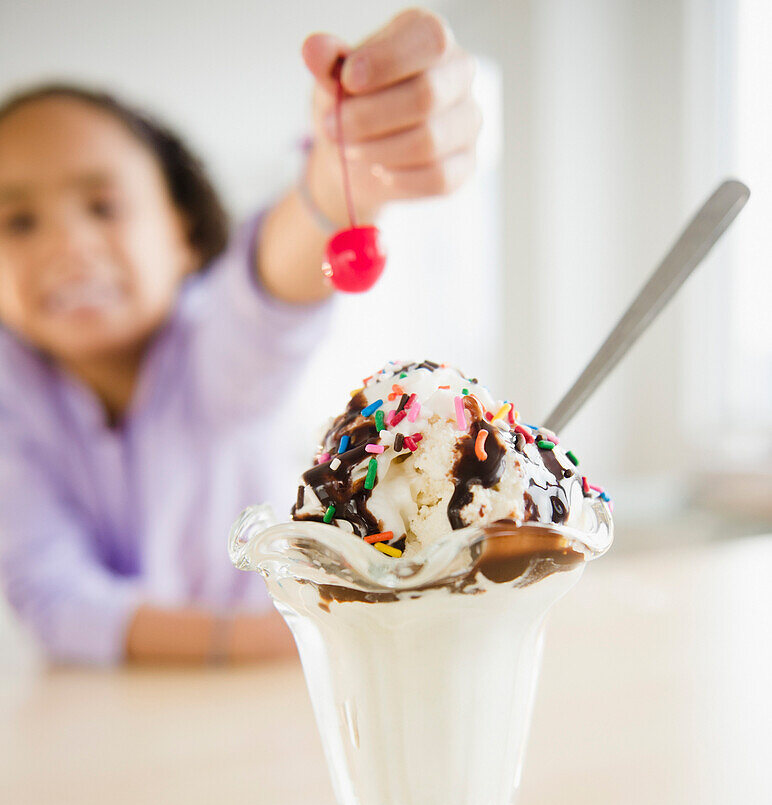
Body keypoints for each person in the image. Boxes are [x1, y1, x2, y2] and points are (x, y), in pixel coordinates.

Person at [0, 8, 481, 665]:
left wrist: (342, 184)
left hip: (277, 706)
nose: (66, 247)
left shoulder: (212, 354)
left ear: (184, 232)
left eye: (103, 206)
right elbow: (54, 598)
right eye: (18, 222)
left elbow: (267, 298)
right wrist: (289, 636)